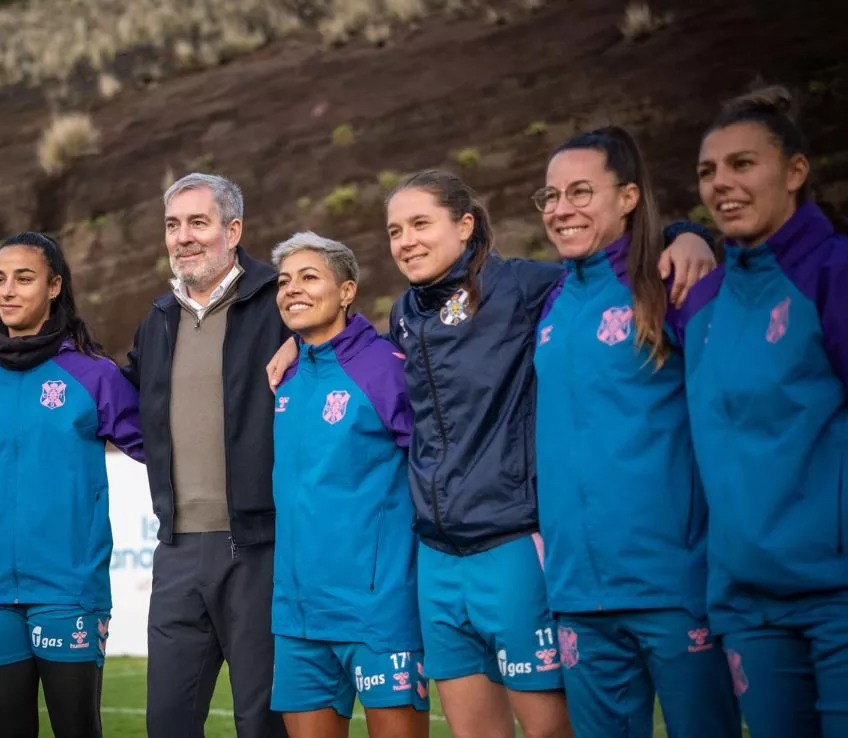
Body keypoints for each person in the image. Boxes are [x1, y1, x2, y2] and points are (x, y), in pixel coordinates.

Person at [268, 170, 715, 738]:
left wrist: (685, 234)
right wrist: (302, 344)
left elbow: (601, 270)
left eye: (420, 224)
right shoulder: (405, 315)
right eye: (395, 230)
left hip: (511, 543)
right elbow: (357, 356)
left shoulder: (520, 286)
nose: (406, 240)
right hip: (437, 557)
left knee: (551, 729)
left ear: (465, 225)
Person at [531, 126, 741, 738]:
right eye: (550, 196)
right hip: (577, 591)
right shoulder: (552, 302)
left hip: (673, 584)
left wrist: (689, 234)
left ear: (627, 197)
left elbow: (730, 417)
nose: (561, 209)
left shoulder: (671, 284)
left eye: (580, 192)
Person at [682, 86, 848, 738]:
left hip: (837, 593)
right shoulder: (702, 302)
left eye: (742, 164)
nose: (721, 183)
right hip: (746, 603)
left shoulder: (833, 273)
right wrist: (679, 233)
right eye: (708, 171)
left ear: (796, 171)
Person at [0, 231, 142, 738]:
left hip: (68, 589)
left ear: (54, 286)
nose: (7, 290)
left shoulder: (94, 375)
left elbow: (161, 447)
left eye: (24, 278)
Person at [124, 172, 291, 737]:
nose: (183, 237)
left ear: (233, 230)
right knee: (167, 723)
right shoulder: (158, 319)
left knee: (262, 724)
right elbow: (118, 401)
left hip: (260, 547)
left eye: (198, 222)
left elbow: (345, 339)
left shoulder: (279, 301)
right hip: (176, 550)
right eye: (173, 225)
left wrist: (304, 340)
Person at [269, 232, 429, 738]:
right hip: (297, 614)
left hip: (378, 609)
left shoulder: (386, 368)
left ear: (346, 292)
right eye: (284, 282)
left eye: (308, 277)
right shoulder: (285, 376)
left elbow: (434, 467)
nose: (292, 289)